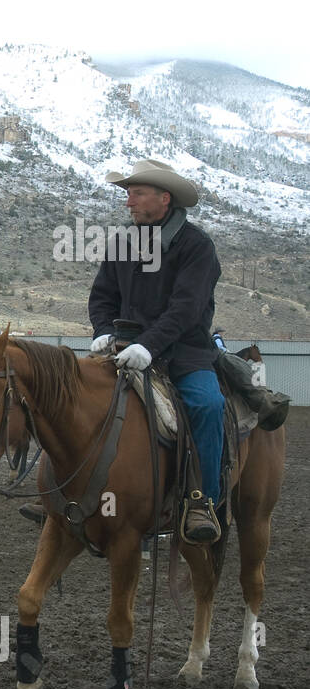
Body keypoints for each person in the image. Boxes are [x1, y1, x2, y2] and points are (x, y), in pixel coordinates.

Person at [88, 159, 225, 543]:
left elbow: (187, 307)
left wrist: (148, 345)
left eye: (136, 193)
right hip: (124, 349)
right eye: (127, 193)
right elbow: (102, 297)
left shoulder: (197, 246)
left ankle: (202, 501)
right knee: (77, 396)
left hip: (184, 354)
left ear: (164, 199)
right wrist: (102, 331)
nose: (128, 201)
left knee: (207, 406)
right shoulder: (121, 243)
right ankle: (68, 493)